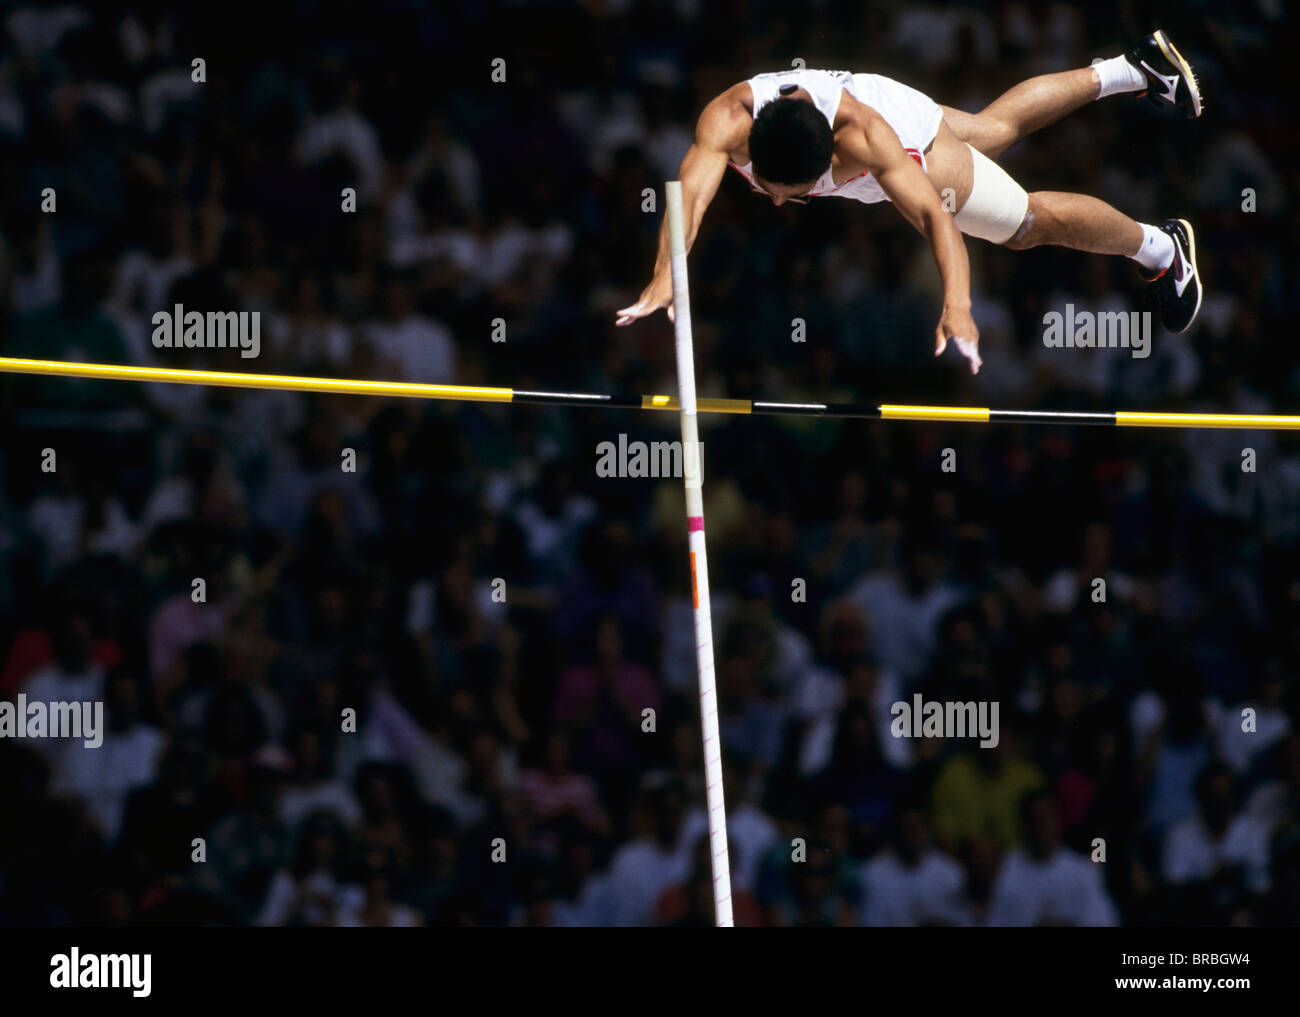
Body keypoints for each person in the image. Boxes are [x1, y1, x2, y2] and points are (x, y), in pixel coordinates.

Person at [617, 31, 1204, 373]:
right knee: (992, 129)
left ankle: (1161, 249)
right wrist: (665, 274)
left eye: (783, 195)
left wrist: (957, 304)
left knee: (1023, 223)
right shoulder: (724, 118)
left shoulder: (873, 143)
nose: (774, 204)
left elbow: (933, 219)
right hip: (869, 92)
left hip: (901, 127)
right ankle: (1134, 69)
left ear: (827, 166)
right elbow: (690, 198)